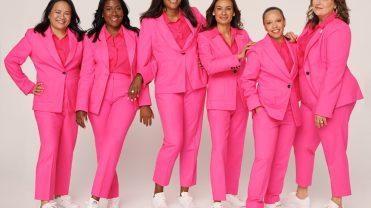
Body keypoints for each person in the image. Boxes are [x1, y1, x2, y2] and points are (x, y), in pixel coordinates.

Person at [4, 0, 84, 207]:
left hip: (72, 102)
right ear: (48, 14)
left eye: (67, 13)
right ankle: (45, 199)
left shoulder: (79, 38)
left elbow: (86, 71)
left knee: (67, 149)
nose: (62, 16)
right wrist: (29, 86)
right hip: (47, 103)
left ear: (72, 17)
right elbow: (11, 60)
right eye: (57, 12)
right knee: (49, 149)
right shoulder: (34, 35)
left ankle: (61, 193)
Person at [283, 0, 363, 208]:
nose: (317, 1)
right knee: (302, 143)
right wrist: (294, 42)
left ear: (336, 4)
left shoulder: (339, 29)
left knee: (333, 148)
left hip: (334, 100)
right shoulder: (311, 26)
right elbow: (307, 59)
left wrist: (324, 108)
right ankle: (302, 195)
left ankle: (337, 200)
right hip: (311, 98)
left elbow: (334, 71)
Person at [128, 0, 207, 207]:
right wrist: (140, 80)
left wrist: (204, 61)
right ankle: (158, 191)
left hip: (195, 84)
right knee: (174, 139)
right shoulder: (150, 23)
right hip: (168, 85)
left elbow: (214, 35)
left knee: (192, 140)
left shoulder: (195, 14)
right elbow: (145, 61)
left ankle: (184, 192)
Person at [75, 0, 153, 208]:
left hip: (127, 93)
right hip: (96, 96)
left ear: (124, 11)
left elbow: (148, 64)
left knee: (112, 144)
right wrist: (81, 105)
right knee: (103, 149)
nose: (113, 12)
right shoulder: (90, 38)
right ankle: (113, 196)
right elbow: (86, 74)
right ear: (102, 13)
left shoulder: (136, 35)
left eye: (118, 8)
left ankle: (95, 197)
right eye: (108, 9)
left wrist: (144, 99)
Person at [240, 7, 301, 208]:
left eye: (278, 21)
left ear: (284, 22)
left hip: (290, 109)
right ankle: (254, 202)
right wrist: (255, 106)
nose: (274, 26)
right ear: (264, 26)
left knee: (281, 159)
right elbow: (247, 80)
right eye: (269, 22)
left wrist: (298, 41)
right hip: (266, 110)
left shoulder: (294, 46)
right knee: (264, 158)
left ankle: (272, 198)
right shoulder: (258, 49)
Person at [197, 0, 254, 207]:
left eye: (228, 9)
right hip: (219, 99)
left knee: (237, 148)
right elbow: (210, 66)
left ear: (233, 13)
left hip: (241, 98)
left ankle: (231, 192)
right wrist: (236, 57)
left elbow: (256, 53)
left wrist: (283, 39)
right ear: (213, 12)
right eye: (219, 8)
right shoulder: (204, 37)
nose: (223, 12)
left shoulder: (242, 34)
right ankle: (218, 198)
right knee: (219, 148)